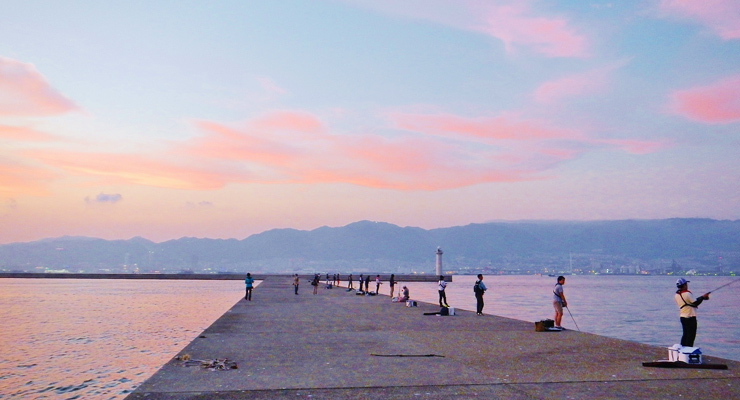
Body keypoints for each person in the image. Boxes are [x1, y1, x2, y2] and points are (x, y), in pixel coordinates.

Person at [674, 278, 710, 347]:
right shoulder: (687, 293)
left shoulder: (676, 295)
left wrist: (702, 297)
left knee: (685, 335)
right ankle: (688, 351)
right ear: (684, 285)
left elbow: (690, 302)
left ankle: (682, 351)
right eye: (686, 284)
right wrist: (703, 297)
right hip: (690, 317)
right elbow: (695, 303)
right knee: (691, 336)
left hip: (682, 317)